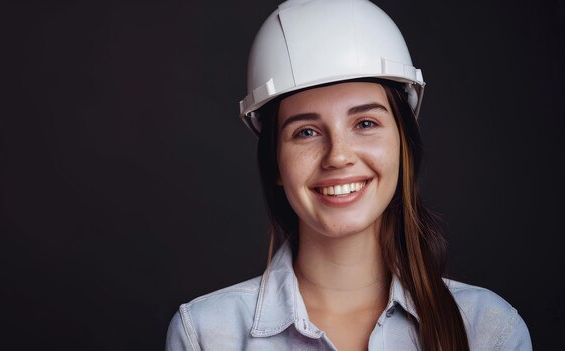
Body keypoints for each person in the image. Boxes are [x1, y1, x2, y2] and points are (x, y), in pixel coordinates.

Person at [165, 0, 532, 349]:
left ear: (403, 145)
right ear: (276, 162)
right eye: (306, 131)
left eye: (366, 123)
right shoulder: (206, 335)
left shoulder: (489, 331)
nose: (338, 156)